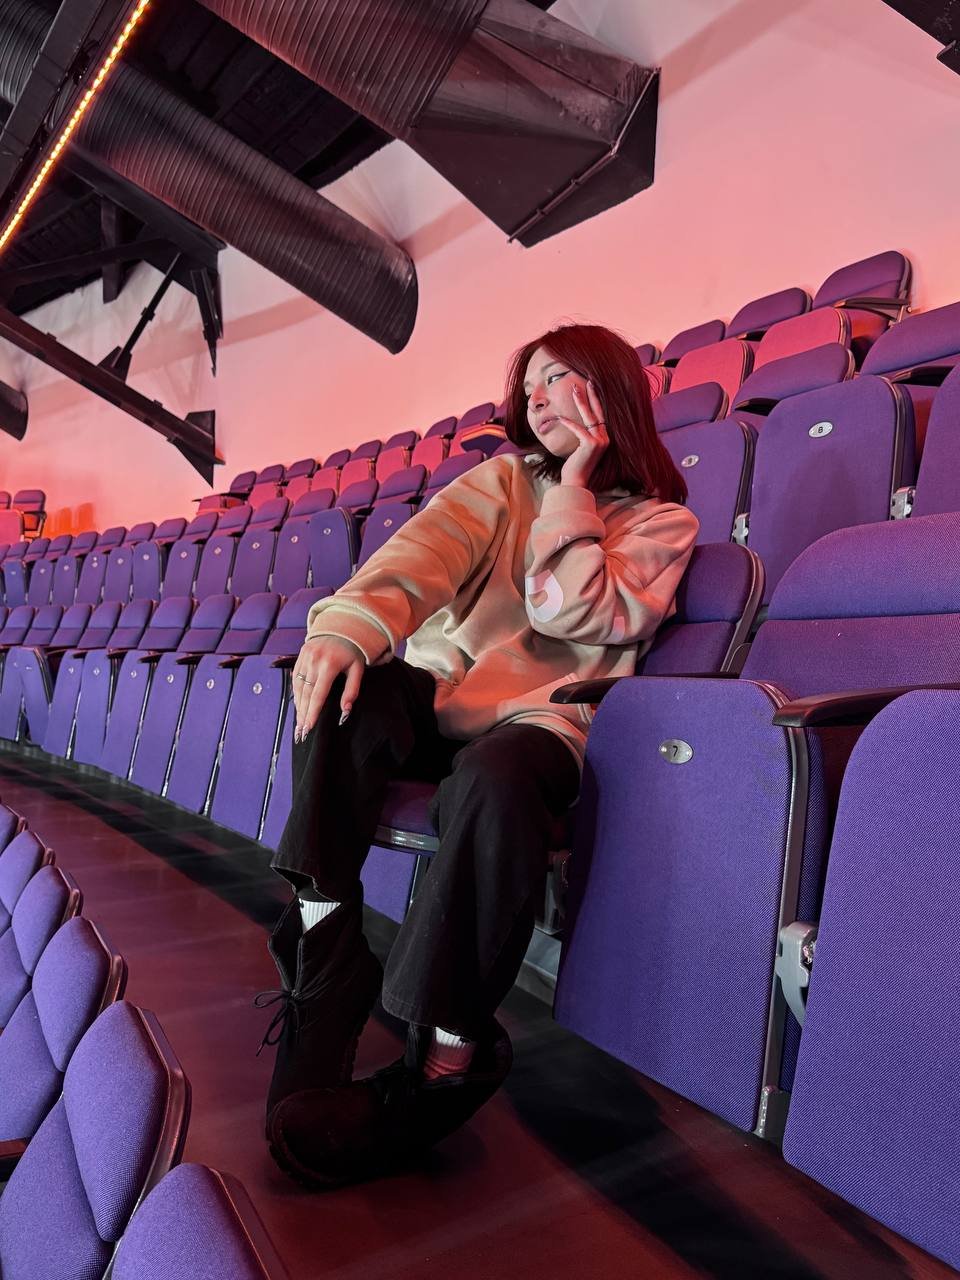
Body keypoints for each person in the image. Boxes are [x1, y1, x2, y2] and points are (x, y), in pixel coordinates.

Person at [260, 323, 699, 1189]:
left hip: (549, 722)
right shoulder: (498, 480)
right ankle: (324, 950)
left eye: (559, 377)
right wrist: (349, 625)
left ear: (611, 391)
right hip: (447, 699)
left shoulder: (661, 523)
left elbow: (572, 611)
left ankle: (447, 1057)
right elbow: (422, 556)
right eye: (529, 385)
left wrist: (573, 485)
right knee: (345, 683)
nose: (537, 397)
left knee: (496, 779)